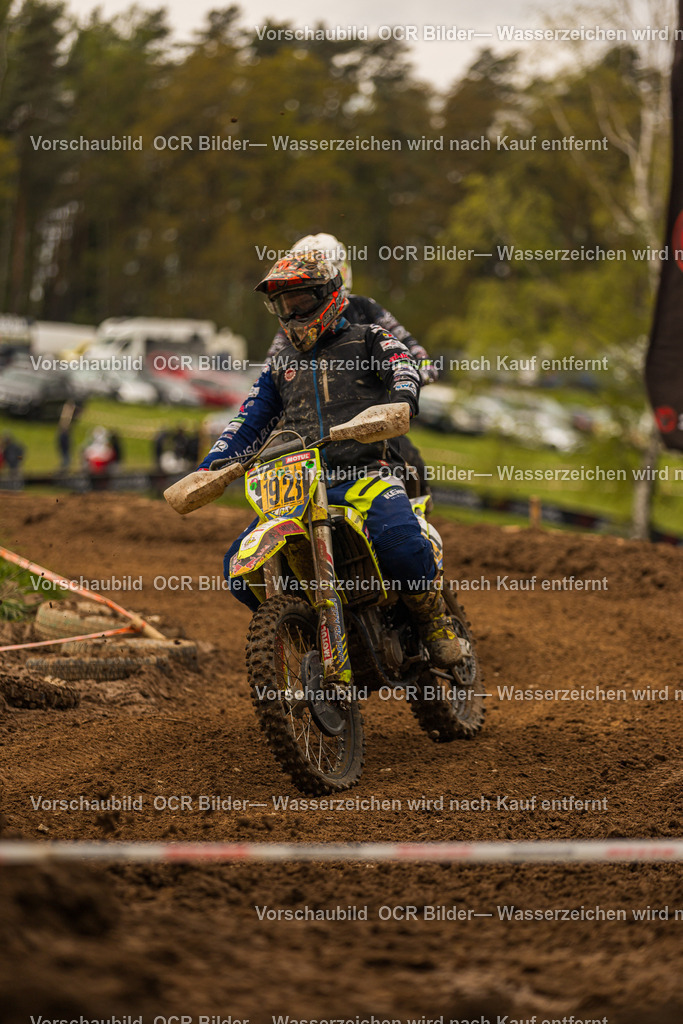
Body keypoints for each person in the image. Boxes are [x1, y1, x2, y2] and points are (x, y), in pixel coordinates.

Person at [197, 253, 461, 668]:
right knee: (238, 567)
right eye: (283, 305)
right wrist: (210, 468)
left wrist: (399, 403)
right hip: (298, 484)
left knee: (400, 541)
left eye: (300, 300)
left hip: (365, 472)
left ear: (328, 295)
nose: (292, 312)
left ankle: (433, 620)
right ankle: (304, 627)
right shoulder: (280, 366)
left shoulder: (368, 337)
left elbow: (402, 366)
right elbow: (248, 420)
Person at [266, 233, 436, 493]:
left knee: (410, 465)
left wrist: (419, 366)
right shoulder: (291, 322)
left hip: (368, 415)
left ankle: (412, 521)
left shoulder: (363, 308)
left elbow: (405, 343)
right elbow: (271, 366)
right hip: (309, 423)